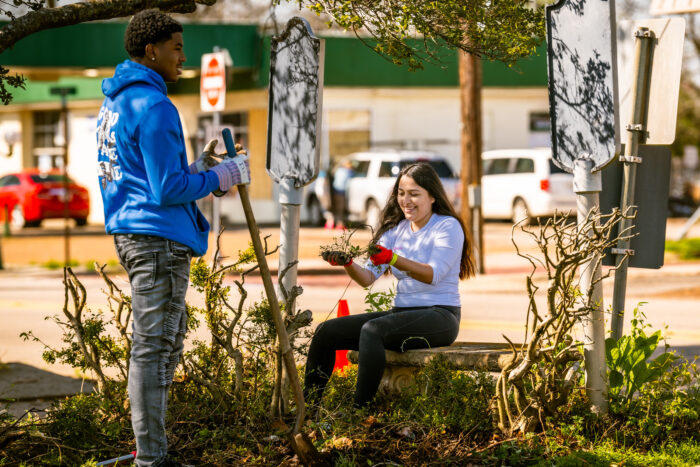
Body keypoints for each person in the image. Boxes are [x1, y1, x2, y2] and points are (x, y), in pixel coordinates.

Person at [96, 9, 250, 467]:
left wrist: (203, 171)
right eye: (177, 48)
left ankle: (150, 448)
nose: (185, 57)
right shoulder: (156, 105)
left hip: (132, 233)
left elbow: (149, 177)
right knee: (153, 347)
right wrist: (223, 173)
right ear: (152, 50)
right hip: (157, 239)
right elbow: (166, 191)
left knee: (161, 340)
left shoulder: (117, 102)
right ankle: (152, 458)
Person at [305, 162, 475, 408]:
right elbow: (366, 278)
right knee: (326, 332)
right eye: (401, 193)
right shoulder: (397, 230)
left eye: (415, 194)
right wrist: (348, 263)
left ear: (433, 197)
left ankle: (359, 412)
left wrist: (394, 259)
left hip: (440, 316)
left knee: (373, 330)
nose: (406, 200)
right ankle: (309, 410)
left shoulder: (447, 226)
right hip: (403, 315)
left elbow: (433, 275)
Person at [330, 159, 354, 229]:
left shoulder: (339, 170)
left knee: (337, 208)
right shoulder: (348, 172)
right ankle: (339, 224)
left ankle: (334, 223)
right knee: (340, 209)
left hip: (335, 191)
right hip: (341, 192)